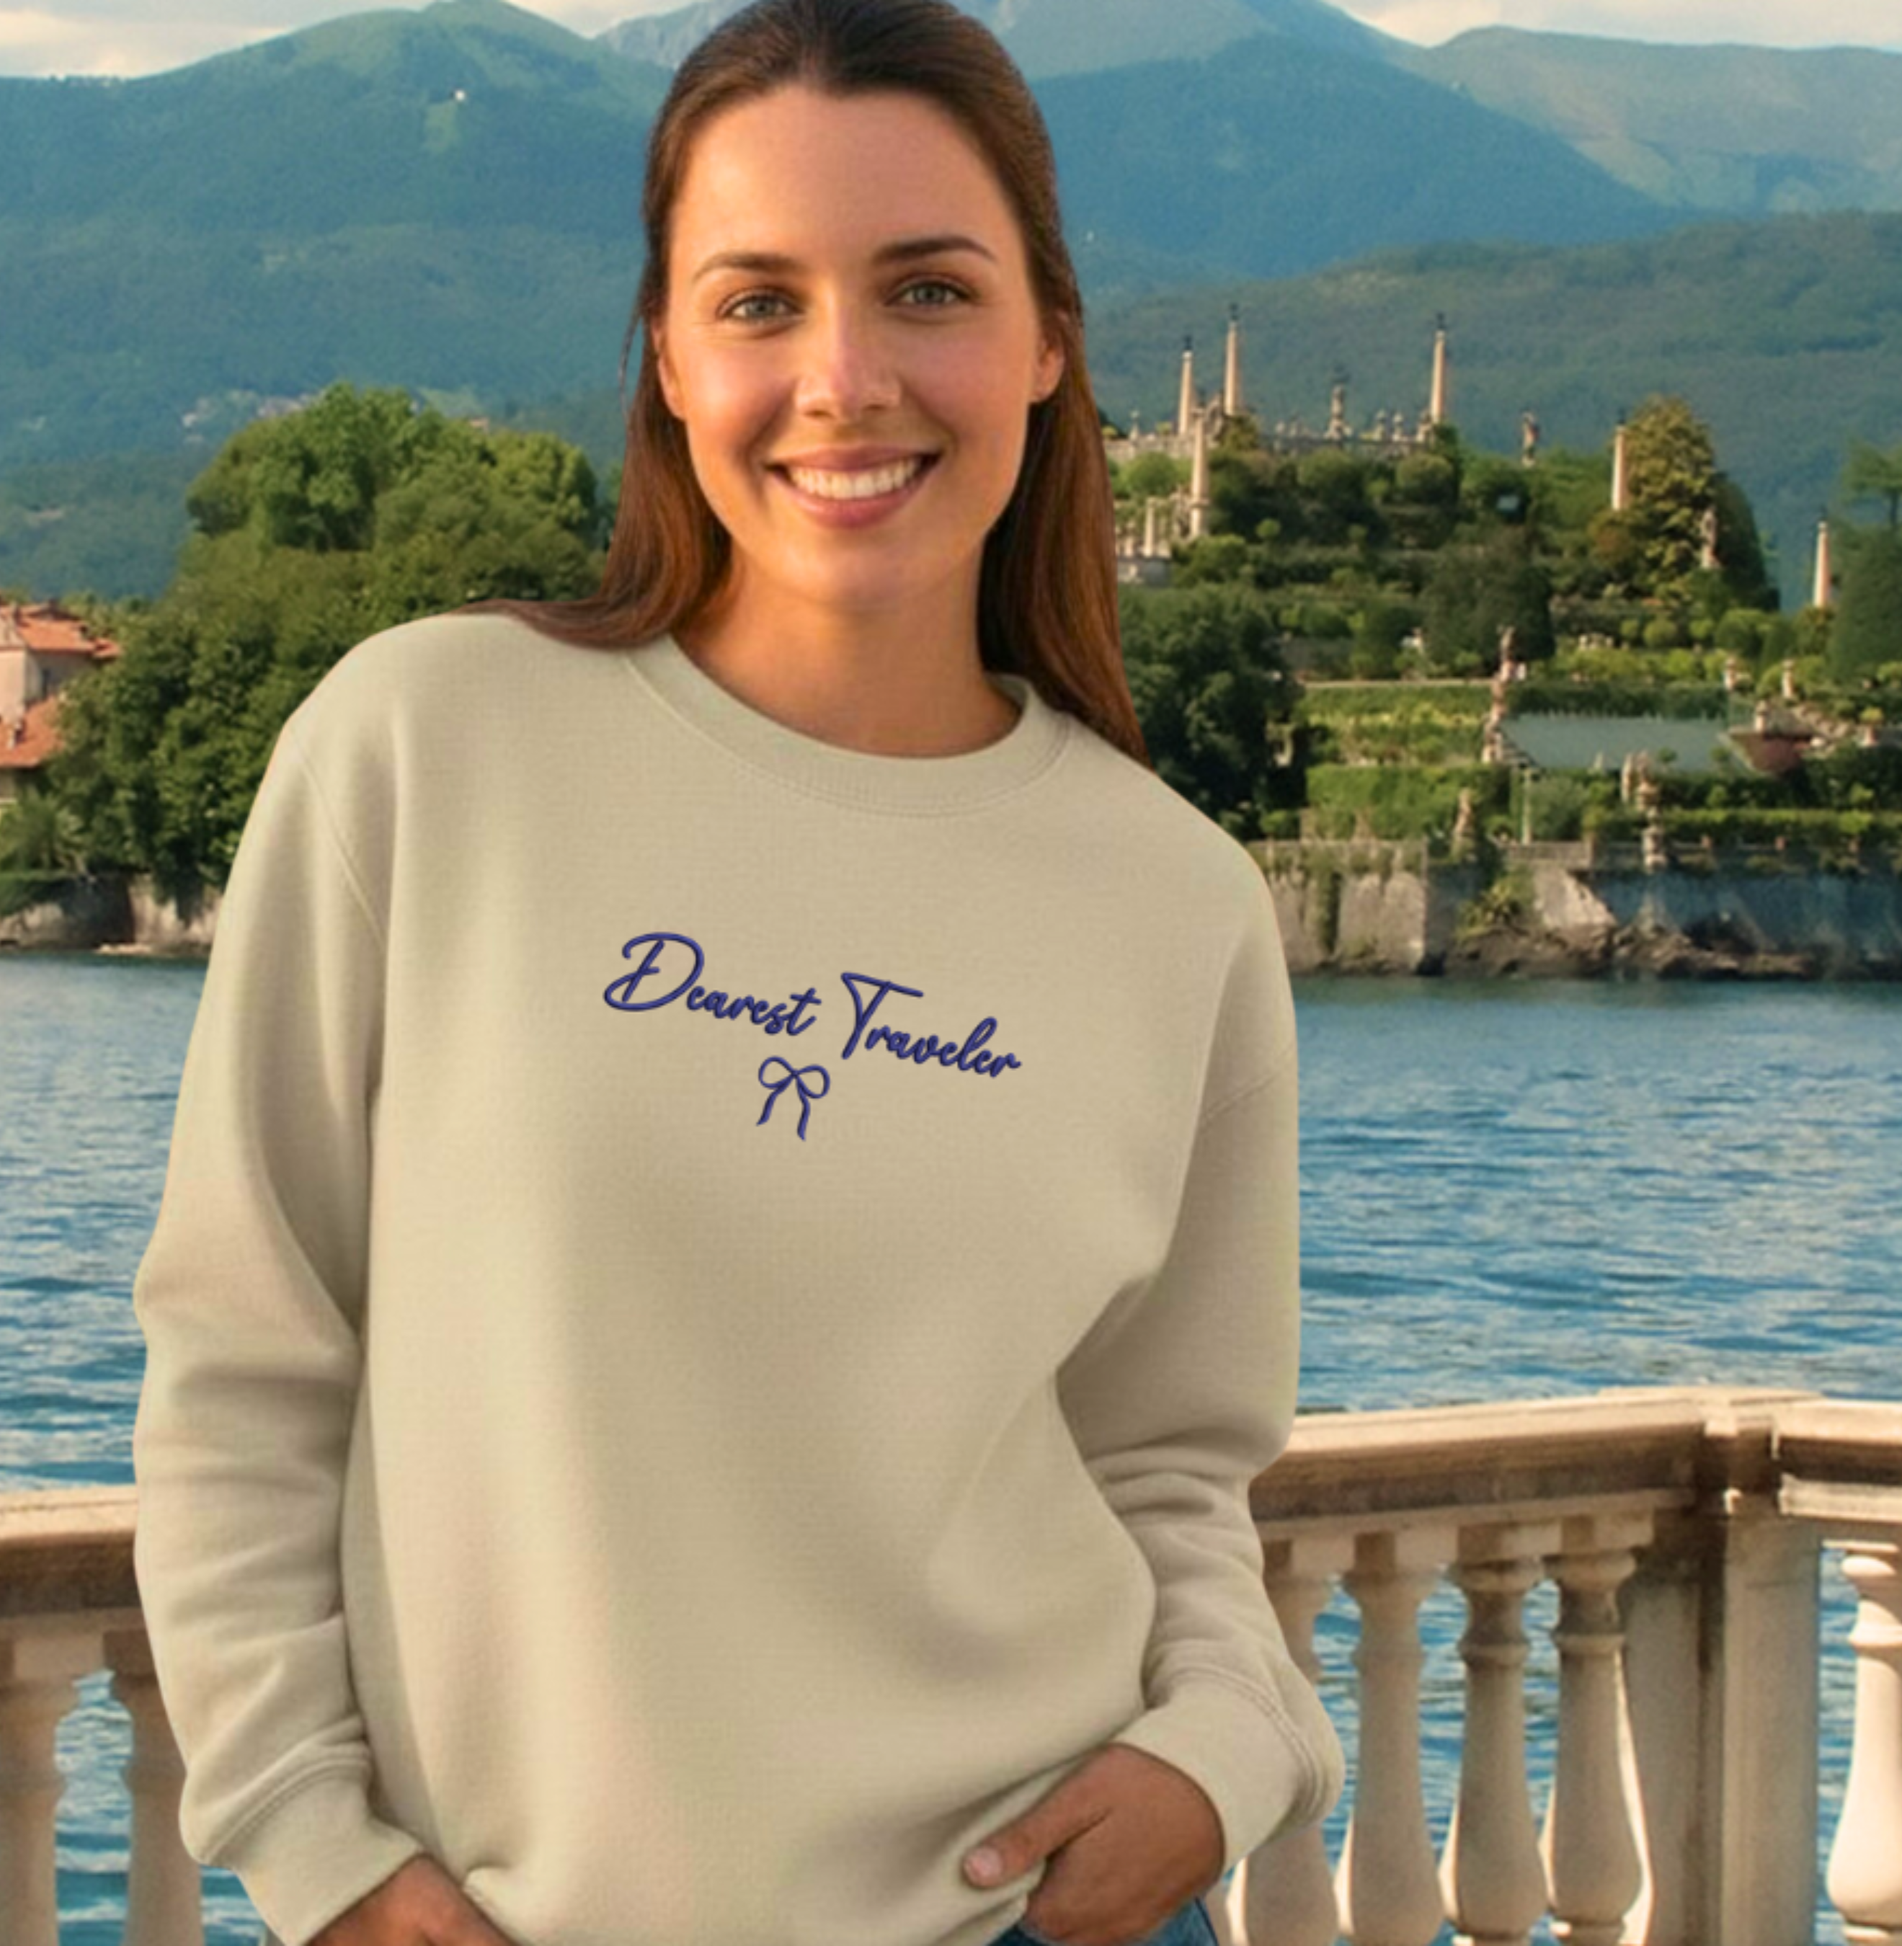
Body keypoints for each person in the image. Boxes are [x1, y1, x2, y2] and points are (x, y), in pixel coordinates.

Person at [127, 3, 1344, 1945]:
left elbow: (1167, 1466)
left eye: (926, 289)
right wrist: (316, 1849)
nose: (844, 379)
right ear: (672, 360)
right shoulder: (428, 744)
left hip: (1033, 1912)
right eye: (757, 302)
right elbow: (246, 1363)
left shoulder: (1170, 899)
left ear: (1047, 342)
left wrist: (1227, 1744)